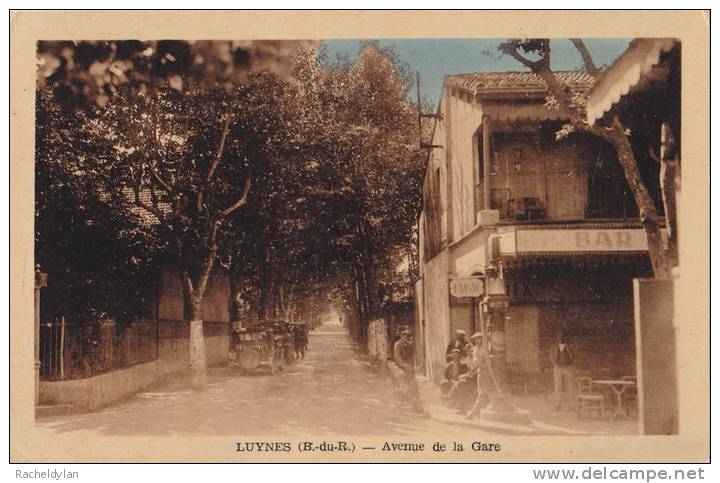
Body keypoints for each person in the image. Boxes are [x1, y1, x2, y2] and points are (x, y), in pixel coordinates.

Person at [393, 328, 426, 415]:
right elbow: (397, 357)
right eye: (403, 335)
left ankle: (416, 405)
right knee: (403, 384)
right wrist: (404, 365)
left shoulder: (410, 345)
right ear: (400, 336)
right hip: (400, 367)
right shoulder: (398, 345)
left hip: (409, 367)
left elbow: (411, 357)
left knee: (412, 384)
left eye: (407, 335)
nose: (405, 337)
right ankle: (401, 402)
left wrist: (412, 366)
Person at [465, 332, 495, 419]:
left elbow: (490, 361)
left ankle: (473, 413)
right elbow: (475, 362)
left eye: (479, 338)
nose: (478, 340)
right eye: (476, 339)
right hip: (480, 372)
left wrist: (483, 363)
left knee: (483, 393)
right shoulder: (475, 349)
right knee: (483, 392)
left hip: (487, 372)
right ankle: (479, 411)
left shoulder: (486, 348)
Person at [549, 331, 575, 410]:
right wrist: (555, 363)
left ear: (565, 338)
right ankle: (558, 404)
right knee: (558, 386)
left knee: (569, 386)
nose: (561, 338)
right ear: (557, 338)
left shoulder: (570, 347)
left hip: (568, 367)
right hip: (558, 368)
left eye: (562, 336)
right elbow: (550, 357)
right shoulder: (554, 347)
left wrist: (568, 351)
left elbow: (574, 357)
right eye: (559, 336)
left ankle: (571, 405)